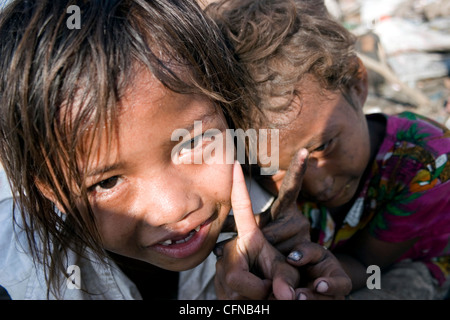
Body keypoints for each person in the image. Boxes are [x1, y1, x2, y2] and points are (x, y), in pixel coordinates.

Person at [0, 0, 350, 300]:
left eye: (194, 142)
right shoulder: (12, 278)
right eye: (107, 182)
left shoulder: (264, 217)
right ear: (48, 190)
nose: (174, 209)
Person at [206, 0, 450, 299]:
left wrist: (311, 277)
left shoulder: (426, 160)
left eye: (322, 147)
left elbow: (367, 264)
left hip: (394, 266)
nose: (317, 185)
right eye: (273, 166)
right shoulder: (245, 167)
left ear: (356, 83)